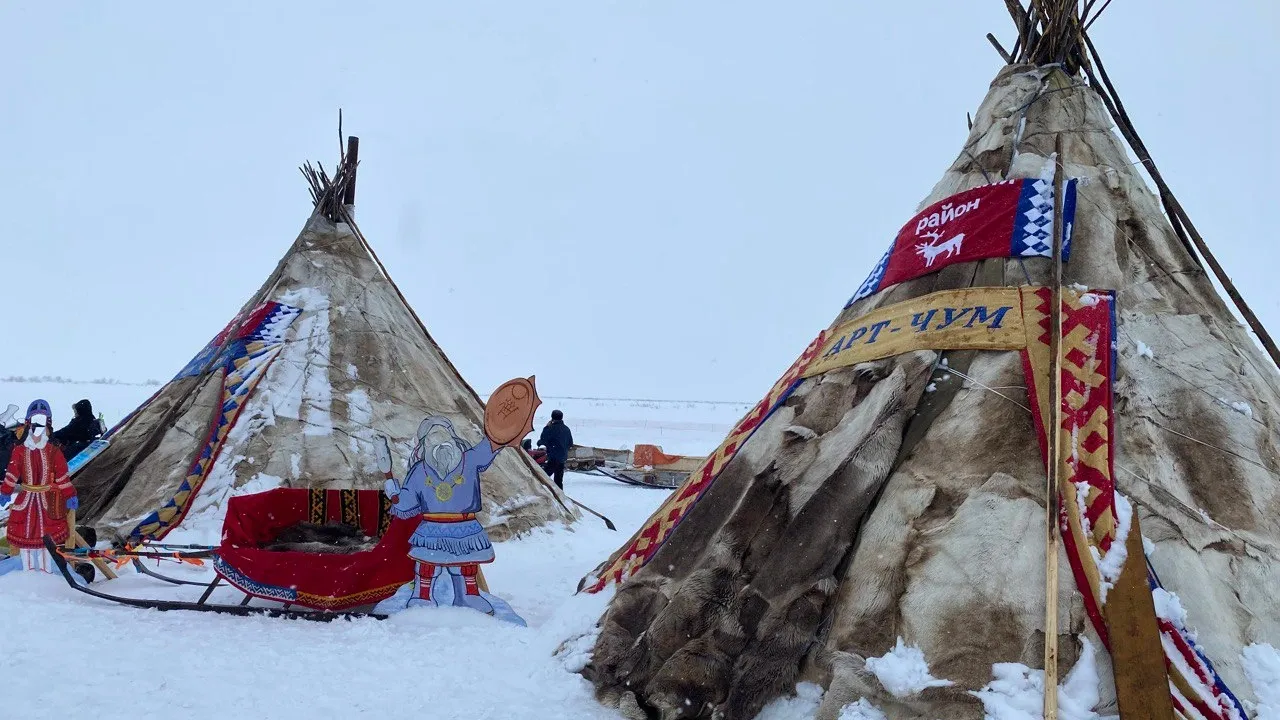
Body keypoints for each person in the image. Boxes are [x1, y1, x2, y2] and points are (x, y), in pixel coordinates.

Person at [1, 400, 77, 573]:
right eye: (35, 424)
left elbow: (62, 476)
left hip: (46, 501)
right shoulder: (20, 451)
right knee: (25, 541)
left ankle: (45, 574)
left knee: (46, 542)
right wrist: (5, 491)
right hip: (26, 501)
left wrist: (70, 495)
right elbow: (12, 473)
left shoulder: (53, 451)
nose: (37, 430)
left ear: (47, 427)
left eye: (41, 425)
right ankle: (28, 575)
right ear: (28, 425)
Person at [537, 409, 573, 490]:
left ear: (552, 418)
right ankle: (561, 496)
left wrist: (546, 427)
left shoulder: (551, 428)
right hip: (562, 458)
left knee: (543, 477)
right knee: (558, 480)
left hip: (554, 457)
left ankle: (539, 492)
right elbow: (570, 443)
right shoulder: (566, 429)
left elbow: (543, 439)